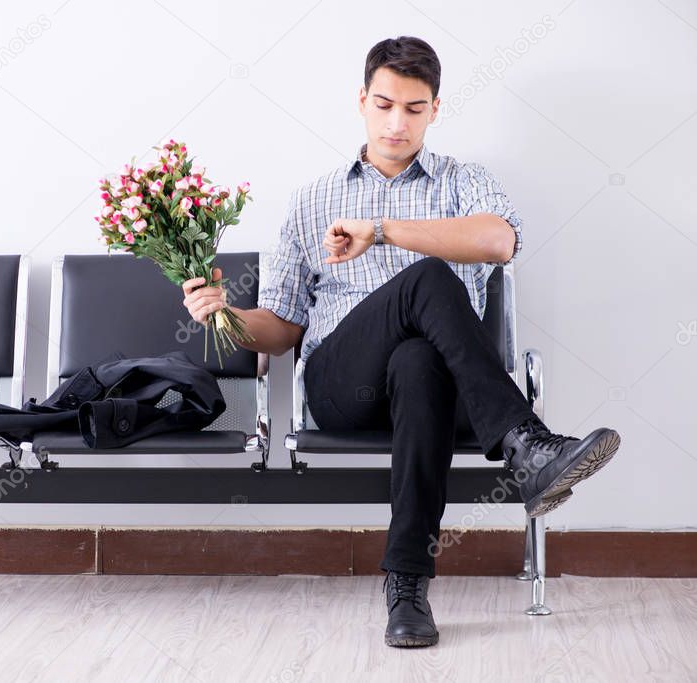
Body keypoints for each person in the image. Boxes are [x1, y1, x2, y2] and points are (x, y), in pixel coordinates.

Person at [181, 35, 621, 649]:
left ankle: (407, 587)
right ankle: (526, 444)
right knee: (429, 278)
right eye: (384, 105)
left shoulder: (464, 182)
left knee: (418, 360)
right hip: (344, 386)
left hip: (439, 389)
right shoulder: (313, 200)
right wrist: (226, 314)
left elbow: (499, 242)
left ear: (435, 110)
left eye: (414, 109)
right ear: (362, 101)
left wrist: (383, 232)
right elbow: (281, 332)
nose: (397, 122)